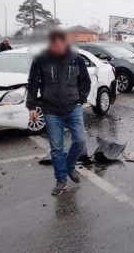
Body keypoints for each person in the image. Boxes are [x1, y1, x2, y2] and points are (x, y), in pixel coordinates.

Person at [26, 29, 91, 195]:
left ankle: (70, 166)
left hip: (72, 107)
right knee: (56, 148)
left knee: (80, 141)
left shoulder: (76, 59)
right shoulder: (41, 60)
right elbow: (33, 83)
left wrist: (81, 98)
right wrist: (31, 106)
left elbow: (85, 81)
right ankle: (61, 179)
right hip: (50, 109)